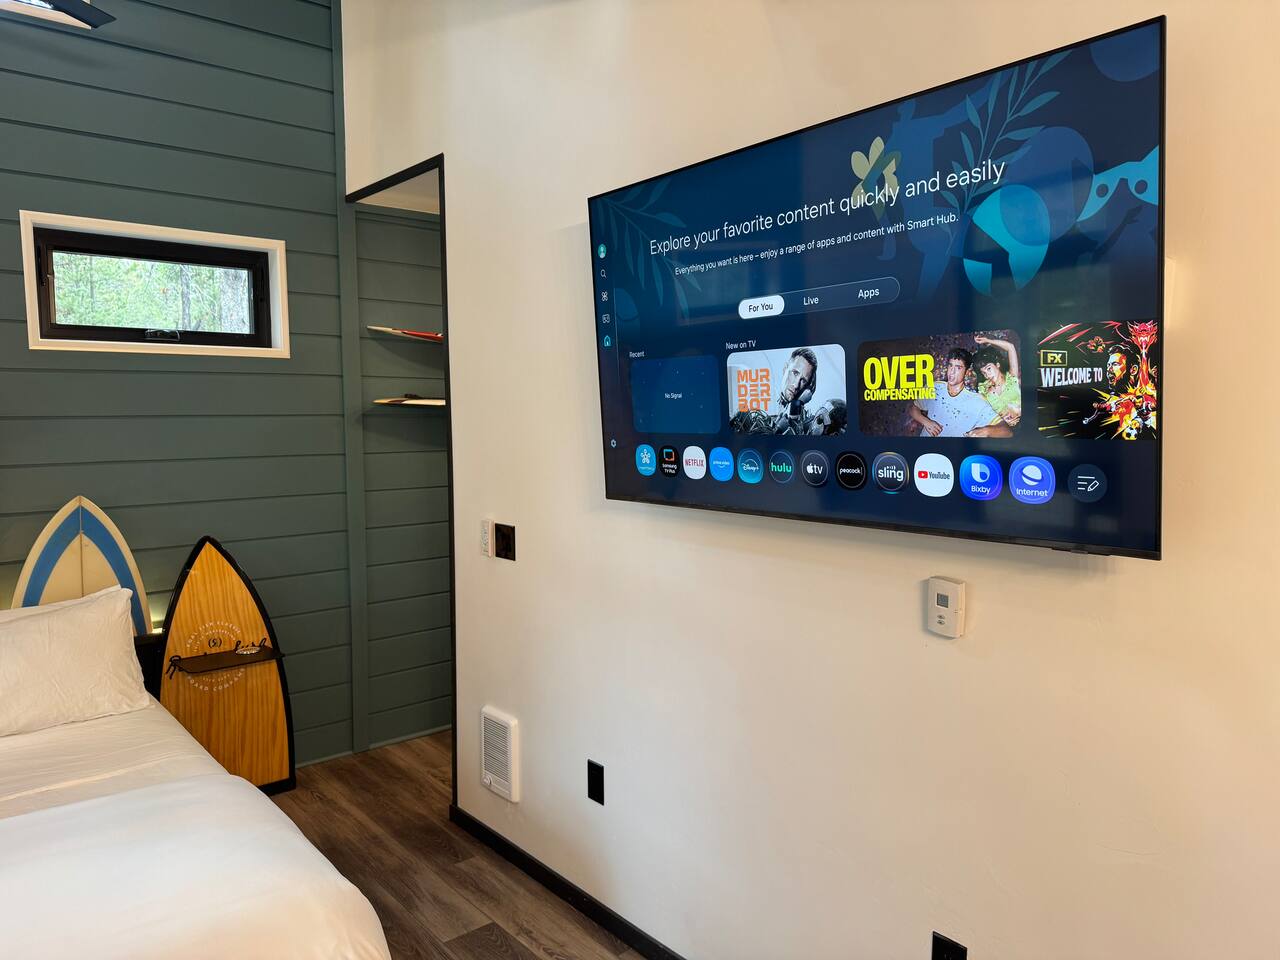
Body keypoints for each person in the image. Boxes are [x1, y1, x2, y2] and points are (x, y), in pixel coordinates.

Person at [908, 347, 1011, 438]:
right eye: (950, 365)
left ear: (966, 372)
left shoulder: (976, 401)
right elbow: (914, 409)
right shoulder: (934, 387)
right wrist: (926, 422)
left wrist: (986, 431)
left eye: (958, 368)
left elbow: (1007, 431)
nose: (952, 372)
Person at [972, 334, 1022, 427]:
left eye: (989, 369)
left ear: (997, 365)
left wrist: (988, 341)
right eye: (984, 373)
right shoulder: (983, 390)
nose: (987, 375)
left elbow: (1010, 347)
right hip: (1003, 429)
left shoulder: (1011, 378)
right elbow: (984, 415)